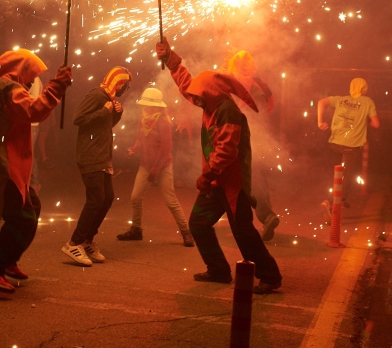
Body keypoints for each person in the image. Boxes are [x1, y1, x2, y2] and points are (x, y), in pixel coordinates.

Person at [157, 38, 282, 293]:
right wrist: (170, 58)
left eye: (198, 96)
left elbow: (226, 151)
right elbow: (187, 84)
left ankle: (270, 276)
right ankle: (218, 270)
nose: (194, 99)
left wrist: (206, 176)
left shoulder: (227, 111)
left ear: (210, 92)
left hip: (233, 184)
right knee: (198, 224)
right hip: (216, 182)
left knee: (243, 232)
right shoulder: (210, 102)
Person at [0, 49, 71, 292]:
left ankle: (8, 260)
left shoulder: (3, 84)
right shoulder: (7, 87)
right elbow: (33, 111)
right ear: (22, 70)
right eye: (31, 75)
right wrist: (56, 87)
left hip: (2, 161)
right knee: (22, 216)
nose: (32, 82)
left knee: (32, 208)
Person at [63, 66, 131, 267]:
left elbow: (104, 126)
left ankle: (87, 240)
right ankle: (74, 243)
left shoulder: (108, 98)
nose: (125, 90)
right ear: (118, 82)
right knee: (96, 200)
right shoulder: (97, 95)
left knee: (107, 198)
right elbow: (78, 119)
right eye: (125, 85)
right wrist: (104, 111)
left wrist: (116, 114)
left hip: (102, 157)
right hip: (90, 155)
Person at [117, 87, 194, 247]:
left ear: (157, 106)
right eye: (145, 105)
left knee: (171, 201)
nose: (146, 107)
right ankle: (136, 229)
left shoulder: (163, 122)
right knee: (135, 197)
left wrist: (155, 171)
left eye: (149, 105)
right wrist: (134, 148)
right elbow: (140, 137)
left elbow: (165, 150)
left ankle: (186, 232)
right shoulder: (144, 118)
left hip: (163, 166)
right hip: (146, 165)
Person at [223, 49, 281, 241]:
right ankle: (266, 217)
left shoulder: (231, 80)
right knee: (258, 177)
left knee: (244, 180)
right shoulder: (261, 83)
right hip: (260, 136)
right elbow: (271, 104)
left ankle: (262, 217)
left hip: (240, 136)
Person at [317, 78, 380, 214]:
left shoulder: (340, 100)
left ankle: (341, 199)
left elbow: (321, 102)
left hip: (334, 143)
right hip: (352, 145)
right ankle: (330, 202)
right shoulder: (368, 102)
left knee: (336, 174)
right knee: (346, 177)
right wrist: (367, 122)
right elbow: (376, 124)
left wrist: (320, 122)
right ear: (364, 88)